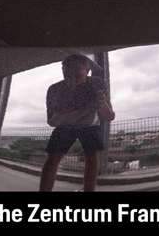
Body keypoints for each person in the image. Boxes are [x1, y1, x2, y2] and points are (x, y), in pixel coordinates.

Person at [39, 54, 115, 192]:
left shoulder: (97, 84)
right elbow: (51, 121)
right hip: (65, 126)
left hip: (88, 125)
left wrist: (101, 102)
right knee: (54, 158)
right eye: (67, 73)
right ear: (62, 70)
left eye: (77, 73)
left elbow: (109, 116)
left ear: (87, 70)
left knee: (91, 158)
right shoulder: (54, 89)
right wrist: (72, 110)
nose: (72, 79)